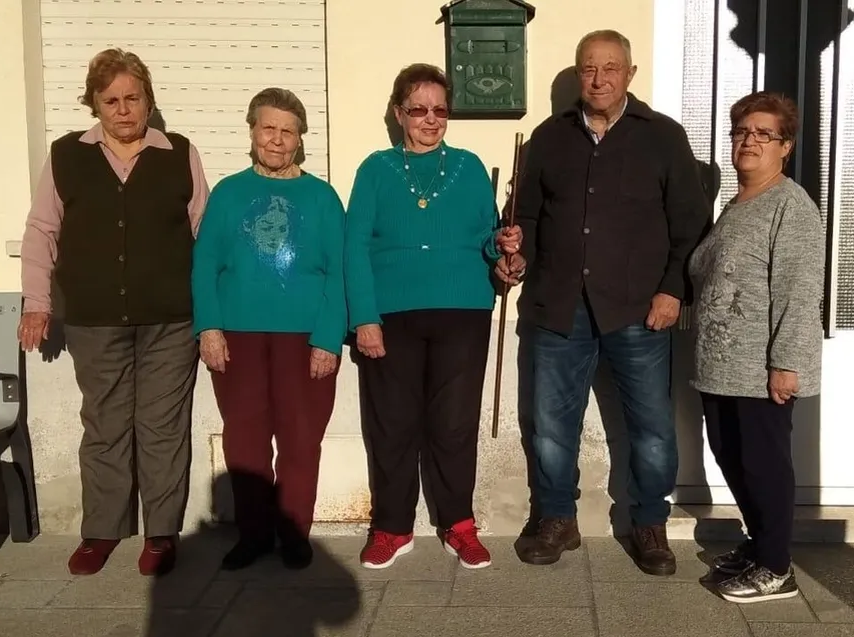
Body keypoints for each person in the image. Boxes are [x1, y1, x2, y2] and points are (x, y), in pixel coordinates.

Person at [506, 30, 709, 573]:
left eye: (610, 68)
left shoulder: (664, 137)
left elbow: (690, 225)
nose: (599, 79)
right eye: (589, 69)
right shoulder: (549, 138)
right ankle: (555, 518)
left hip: (639, 309)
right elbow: (524, 217)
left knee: (651, 426)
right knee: (549, 425)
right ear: (579, 75)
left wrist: (673, 290)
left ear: (630, 73)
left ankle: (648, 522)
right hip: (557, 307)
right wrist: (515, 253)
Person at [17, 48, 208, 576]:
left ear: (148, 100)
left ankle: (161, 534)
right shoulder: (65, 155)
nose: (123, 109)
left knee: (163, 426)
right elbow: (41, 232)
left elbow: (205, 234)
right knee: (103, 424)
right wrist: (37, 302)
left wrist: (213, 313)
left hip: (172, 319)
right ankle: (101, 530)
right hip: (93, 319)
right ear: (95, 106)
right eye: (111, 101)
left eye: (133, 98)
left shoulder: (180, 153)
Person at [345, 63, 520, 570]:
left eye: (439, 110)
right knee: (393, 425)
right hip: (391, 314)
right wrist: (364, 318)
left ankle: (457, 523)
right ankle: (392, 527)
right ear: (399, 113)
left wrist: (506, 251)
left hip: (462, 311)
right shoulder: (375, 168)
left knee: (454, 424)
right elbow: (355, 245)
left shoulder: (468, 167)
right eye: (418, 109)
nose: (430, 119)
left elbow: (490, 240)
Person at [191, 87, 347, 571]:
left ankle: (295, 532)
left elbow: (341, 272)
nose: (277, 140)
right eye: (268, 128)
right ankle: (254, 534)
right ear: (253, 131)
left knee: (301, 439)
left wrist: (327, 337)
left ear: (300, 139)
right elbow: (205, 264)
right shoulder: (229, 192)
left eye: (288, 131)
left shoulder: (322, 197)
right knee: (245, 438)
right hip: (238, 337)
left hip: (303, 339)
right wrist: (209, 328)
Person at [689, 91, 824, 603]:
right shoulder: (736, 203)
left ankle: (776, 566)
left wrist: (785, 364)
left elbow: (799, 289)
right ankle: (758, 543)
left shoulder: (790, 206)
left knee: (765, 465)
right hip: (720, 365)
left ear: (785, 146)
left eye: (763, 134)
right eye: (742, 131)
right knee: (733, 458)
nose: (749, 141)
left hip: (760, 369)